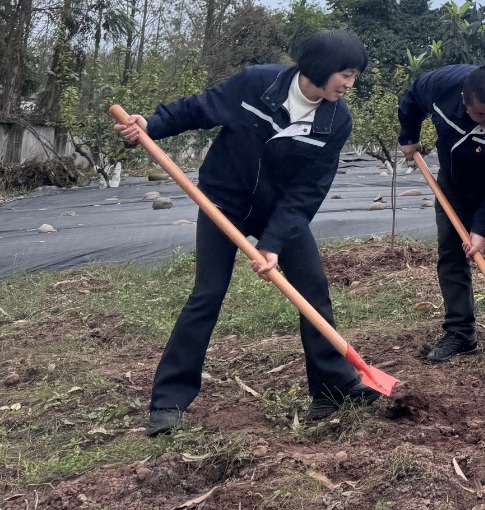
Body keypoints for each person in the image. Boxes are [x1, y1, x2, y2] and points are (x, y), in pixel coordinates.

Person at [114, 30, 371, 435]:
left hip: (279, 212)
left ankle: (332, 389)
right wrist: (153, 124)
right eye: (347, 74)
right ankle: (168, 402)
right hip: (223, 204)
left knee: (312, 290)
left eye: (354, 76)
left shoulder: (335, 121)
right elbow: (199, 109)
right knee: (208, 293)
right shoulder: (257, 84)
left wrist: (273, 242)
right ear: (322, 67)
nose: (350, 84)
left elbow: (308, 190)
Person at [398, 64, 485, 364]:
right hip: (456, 179)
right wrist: (409, 135)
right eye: (482, 114)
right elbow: (412, 97)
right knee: (451, 246)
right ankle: (460, 333)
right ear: (464, 100)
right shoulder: (440, 85)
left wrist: (481, 229)